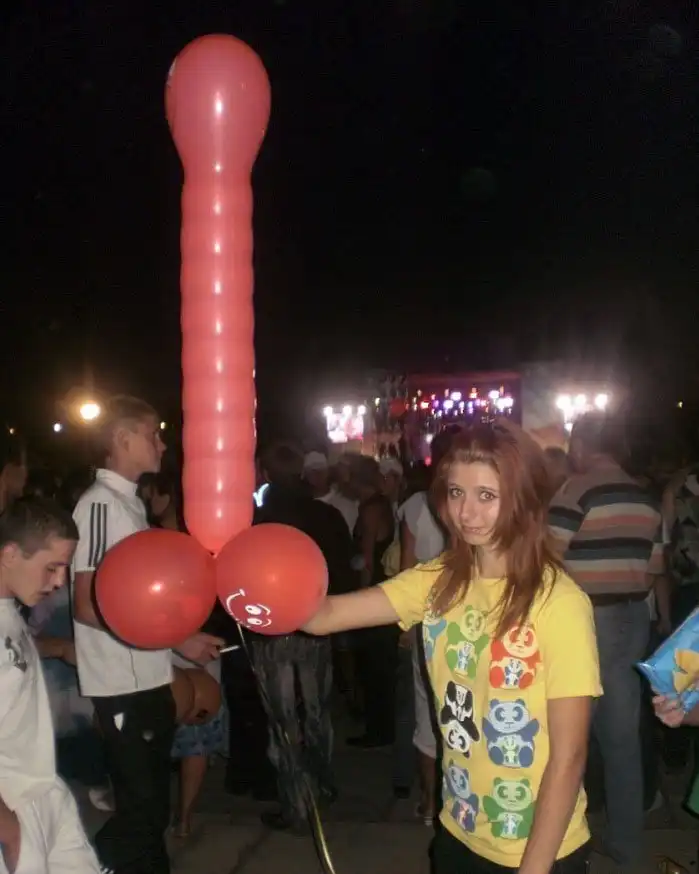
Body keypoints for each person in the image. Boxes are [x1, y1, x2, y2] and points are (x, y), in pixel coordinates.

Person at [303, 422, 601, 874]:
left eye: (487, 495)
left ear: (524, 500)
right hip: (458, 828)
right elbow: (323, 616)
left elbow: (569, 756)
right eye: (457, 492)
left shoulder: (559, 603)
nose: (466, 512)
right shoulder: (438, 580)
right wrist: (251, 583)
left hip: (536, 847)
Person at [71, 395, 223, 874]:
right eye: (152, 434)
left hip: (148, 679)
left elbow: (139, 600)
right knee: (142, 812)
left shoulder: (129, 504)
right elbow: (87, 603)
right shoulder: (99, 505)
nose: (161, 444)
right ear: (122, 439)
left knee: (150, 808)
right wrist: (178, 640)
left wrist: (180, 634)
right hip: (121, 684)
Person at [549, 412, 664, 866]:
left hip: (584, 619)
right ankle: (628, 844)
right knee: (622, 738)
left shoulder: (575, 490)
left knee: (567, 735)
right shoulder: (646, 497)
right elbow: (654, 569)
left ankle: (563, 837)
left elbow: (547, 559)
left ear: (580, 445)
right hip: (632, 616)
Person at [252, 441, 355, 834]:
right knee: (316, 710)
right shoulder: (325, 515)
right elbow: (343, 569)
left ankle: (297, 802)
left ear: (265, 474)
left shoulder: (259, 521)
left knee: (283, 718)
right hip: (318, 622)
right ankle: (323, 788)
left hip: (272, 630)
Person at [0, 497, 102, 874]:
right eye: (51, 567)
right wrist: (7, 827)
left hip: (44, 790)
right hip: (12, 803)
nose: (59, 581)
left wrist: (55, 647)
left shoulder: (9, 609)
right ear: (10, 554)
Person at [142, 472, 229, 839]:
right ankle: (173, 815)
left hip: (193, 639)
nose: (147, 500)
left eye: (152, 493)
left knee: (192, 724)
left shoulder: (197, 540)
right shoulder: (150, 538)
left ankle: (181, 816)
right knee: (167, 726)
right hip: (164, 639)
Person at [392, 430, 454, 822]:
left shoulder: (417, 504)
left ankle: (431, 803)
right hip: (464, 618)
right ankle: (450, 803)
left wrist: (406, 626)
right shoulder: (484, 498)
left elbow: (406, 567)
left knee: (427, 711)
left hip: (429, 618)